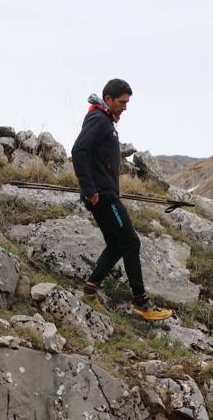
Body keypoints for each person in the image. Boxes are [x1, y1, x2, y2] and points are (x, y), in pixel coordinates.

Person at [71, 79, 172, 321]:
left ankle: (90, 288)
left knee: (117, 245)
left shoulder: (105, 121)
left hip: (105, 193)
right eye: (122, 102)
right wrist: (90, 188)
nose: (125, 107)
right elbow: (78, 151)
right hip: (102, 197)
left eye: (127, 102)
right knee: (131, 242)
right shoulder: (99, 120)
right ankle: (141, 303)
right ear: (108, 99)